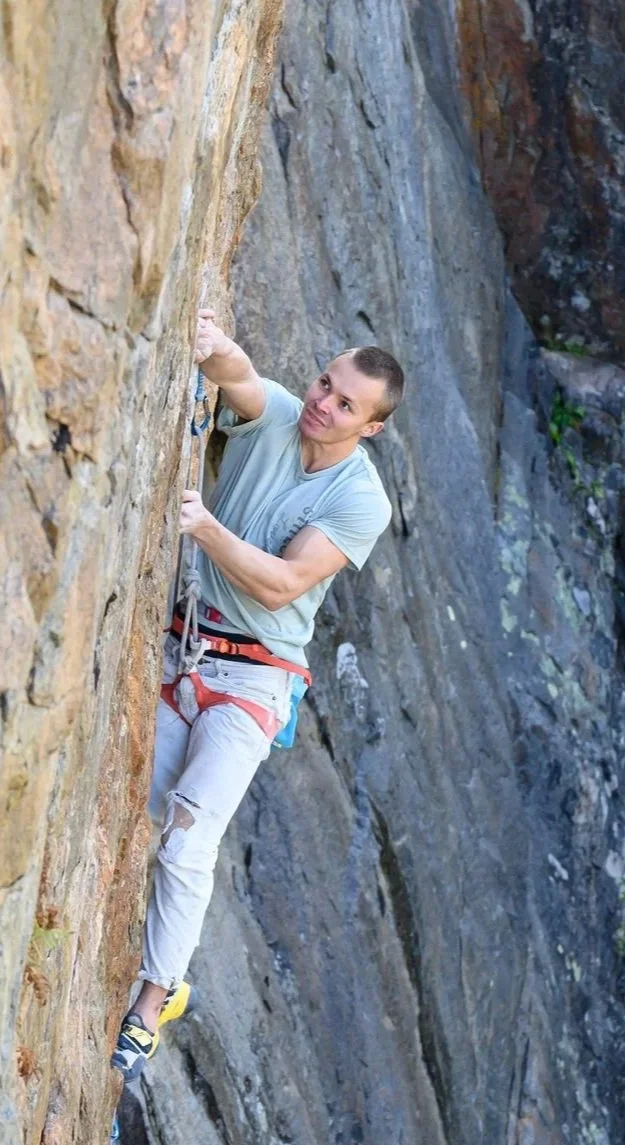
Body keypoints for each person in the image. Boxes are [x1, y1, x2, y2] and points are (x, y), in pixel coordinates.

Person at [111, 309, 404, 1079]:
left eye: (346, 404)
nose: (324, 404)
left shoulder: (360, 500)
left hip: (255, 679)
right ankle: (159, 980)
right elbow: (240, 378)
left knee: (188, 834)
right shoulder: (278, 413)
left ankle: (151, 1006)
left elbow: (281, 586)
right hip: (185, 650)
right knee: (132, 808)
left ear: (370, 428)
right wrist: (210, 345)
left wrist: (204, 528)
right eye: (325, 383)